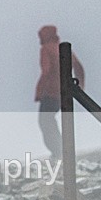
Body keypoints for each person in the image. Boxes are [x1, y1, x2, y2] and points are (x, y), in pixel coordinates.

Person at [34, 25, 85, 160]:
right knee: (51, 120)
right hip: (63, 92)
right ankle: (62, 150)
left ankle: (58, 151)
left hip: (50, 92)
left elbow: (46, 71)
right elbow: (79, 67)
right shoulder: (61, 47)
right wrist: (80, 87)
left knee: (45, 121)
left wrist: (39, 91)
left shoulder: (46, 49)